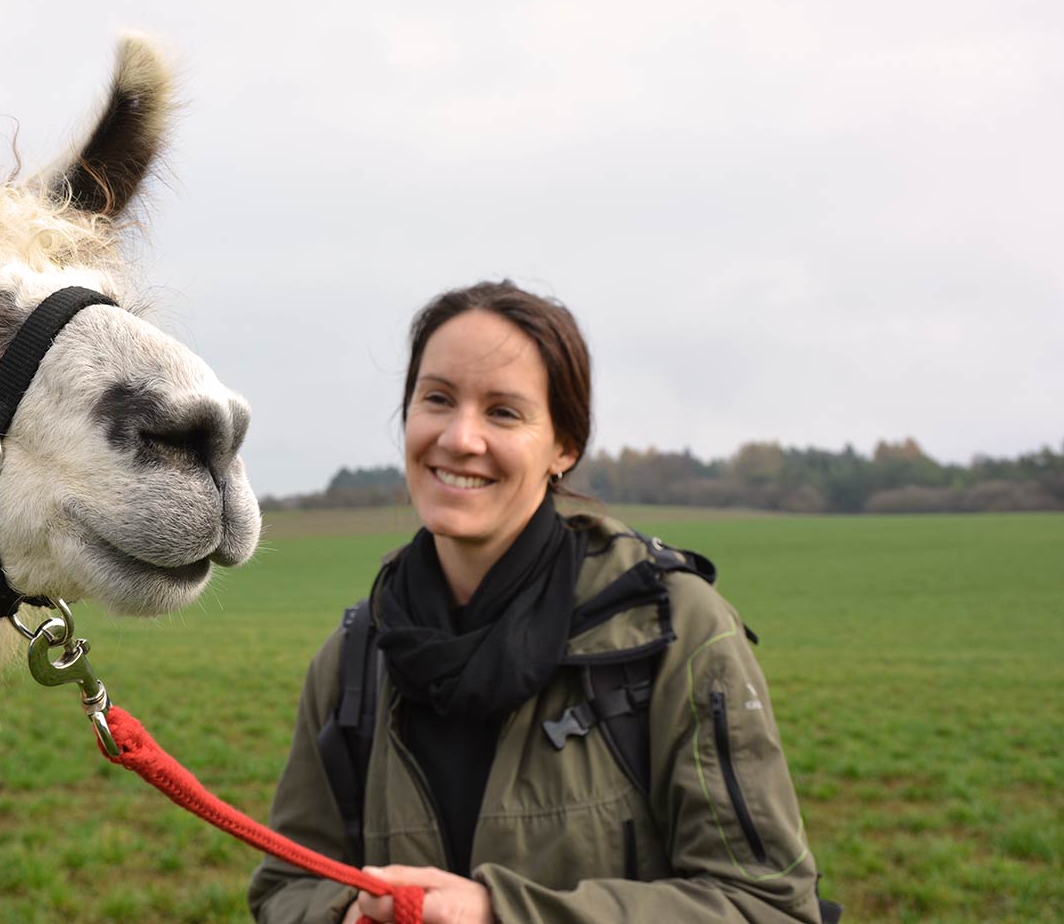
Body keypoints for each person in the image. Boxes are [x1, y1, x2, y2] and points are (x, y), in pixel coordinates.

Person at [248, 281, 827, 924]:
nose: (461, 438)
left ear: (564, 446)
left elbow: (769, 905)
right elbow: (286, 887)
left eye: (503, 412)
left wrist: (501, 916)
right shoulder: (356, 655)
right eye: (437, 399)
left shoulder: (674, 633)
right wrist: (346, 916)